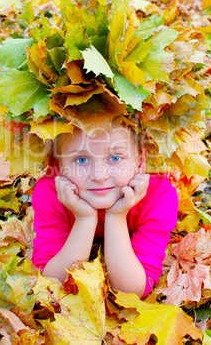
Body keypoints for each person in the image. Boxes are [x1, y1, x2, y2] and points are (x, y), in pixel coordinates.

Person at [32, 121, 178, 299]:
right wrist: (84, 220)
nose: (99, 176)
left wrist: (117, 216)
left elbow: (131, 290)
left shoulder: (158, 196)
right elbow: (52, 284)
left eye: (115, 158)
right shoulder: (50, 193)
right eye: (82, 160)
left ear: (140, 162)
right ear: (60, 166)